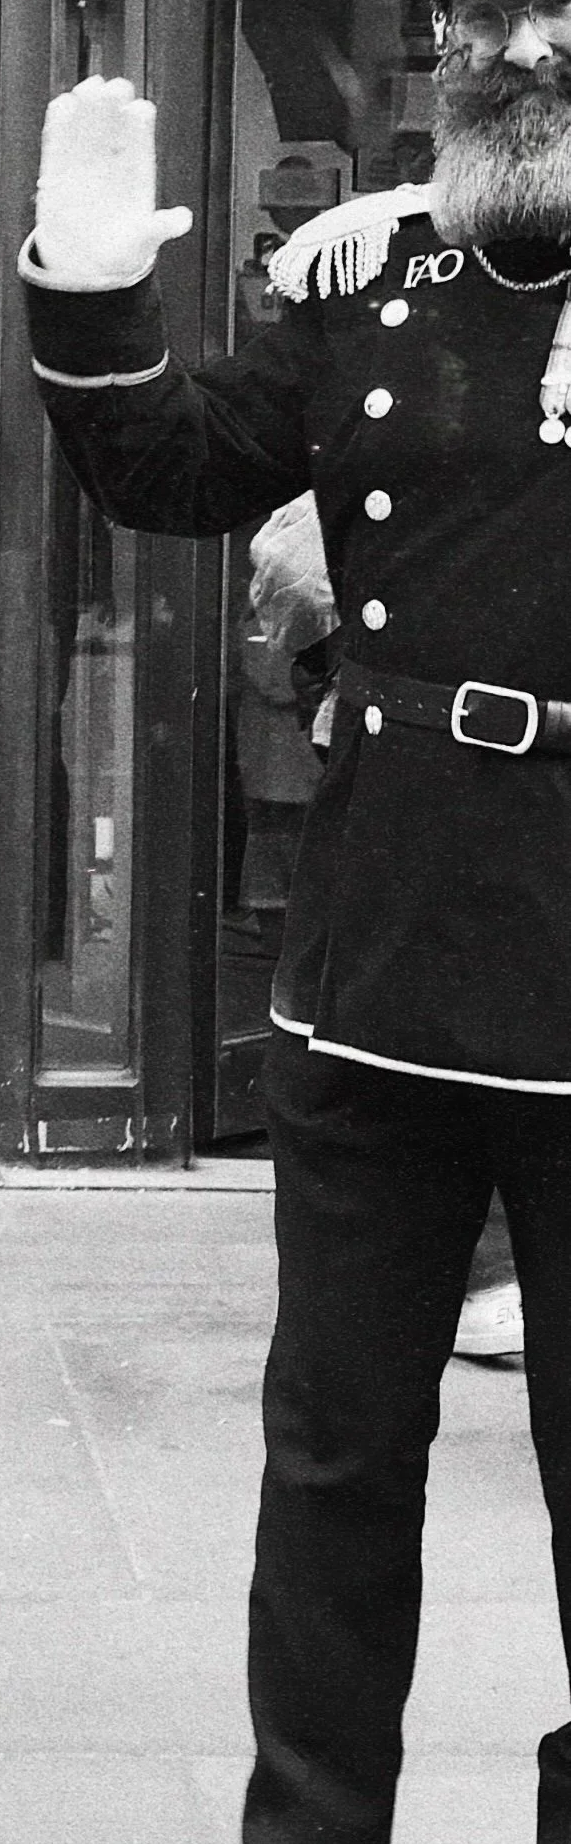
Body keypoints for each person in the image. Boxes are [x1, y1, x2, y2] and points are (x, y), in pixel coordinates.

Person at [22, 0, 571, 1844]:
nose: (526, 65)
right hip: (370, 950)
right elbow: (160, 471)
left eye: (567, 23)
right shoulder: (366, 290)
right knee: (333, 1436)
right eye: (486, 30)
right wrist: (92, 279)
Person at [249, 493, 526, 1364]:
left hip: (431, 733)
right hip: (424, 744)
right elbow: (292, 562)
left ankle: (479, 1269)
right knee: (449, 1005)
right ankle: (480, 1273)